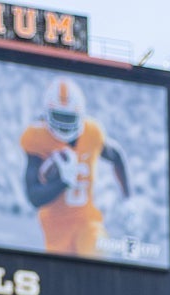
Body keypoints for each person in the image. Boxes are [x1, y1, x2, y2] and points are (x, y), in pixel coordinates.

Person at [21, 75, 128, 259]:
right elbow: (34, 196)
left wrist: (128, 197)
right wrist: (63, 182)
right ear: (47, 114)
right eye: (59, 116)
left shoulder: (92, 132)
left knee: (97, 258)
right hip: (55, 231)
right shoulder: (36, 138)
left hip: (87, 222)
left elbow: (116, 155)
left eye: (68, 117)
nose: (63, 123)